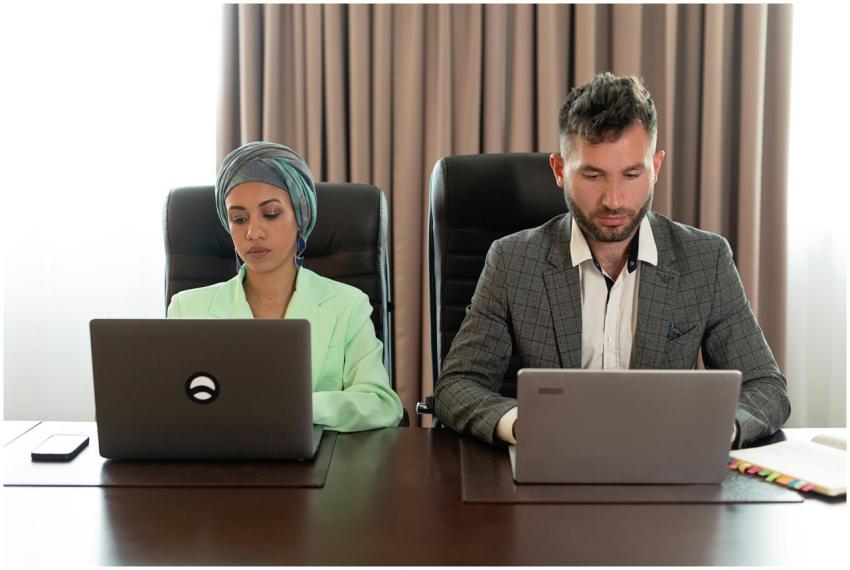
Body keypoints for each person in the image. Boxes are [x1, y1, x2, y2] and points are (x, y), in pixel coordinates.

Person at [434, 72, 790, 448]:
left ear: (656, 167)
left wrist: (720, 429)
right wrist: (524, 425)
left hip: (665, 468)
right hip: (553, 465)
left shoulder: (706, 260)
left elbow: (765, 387)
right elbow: (456, 387)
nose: (614, 200)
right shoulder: (512, 260)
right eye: (592, 175)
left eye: (632, 174)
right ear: (559, 171)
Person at [167, 141, 403, 432]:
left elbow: (381, 404)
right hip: (220, 465)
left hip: (317, 466)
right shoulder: (187, 309)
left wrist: (293, 406)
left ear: (300, 218)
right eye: (239, 219)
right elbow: (171, 406)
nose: (253, 232)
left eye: (271, 214)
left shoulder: (347, 304)